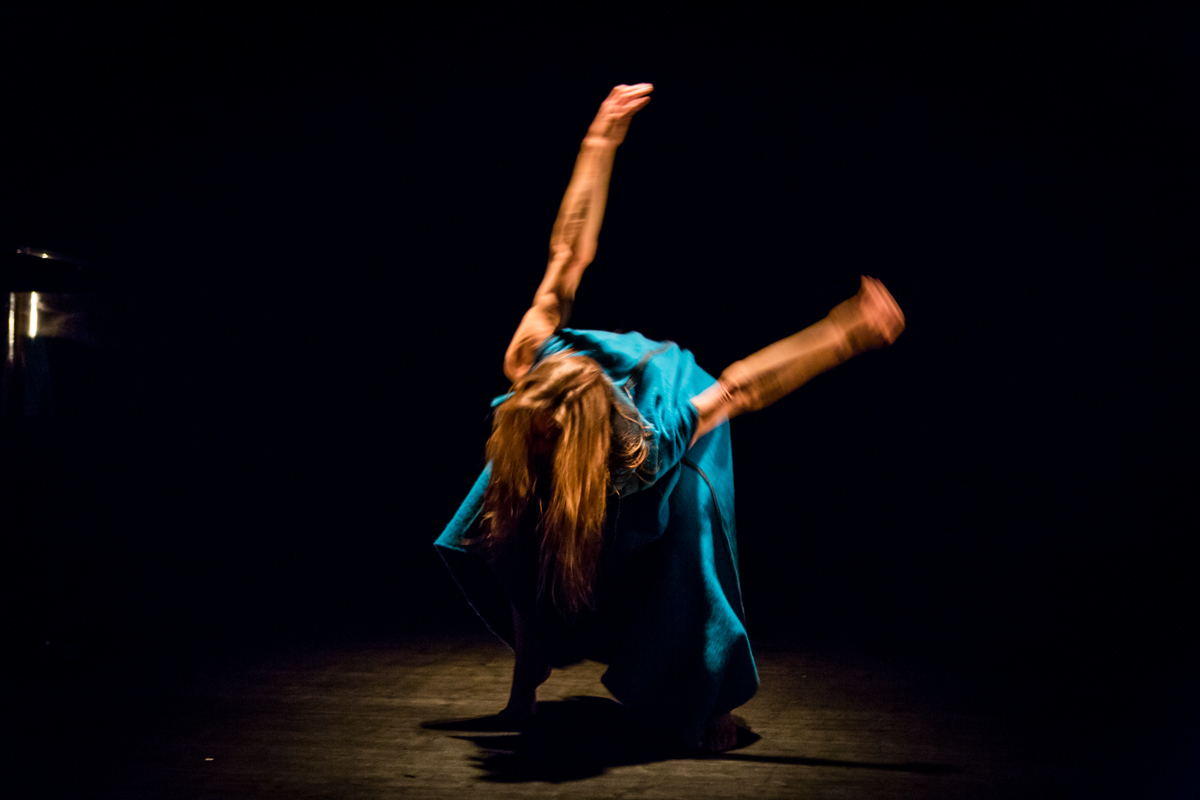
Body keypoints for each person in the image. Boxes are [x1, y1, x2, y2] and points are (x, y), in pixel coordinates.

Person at [436, 84, 905, 752]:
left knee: (689, 524)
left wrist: (844, 333)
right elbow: (568, 257)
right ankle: (529, 667)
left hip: (663, 400)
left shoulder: (646, 447)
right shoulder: (530, 358)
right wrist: (599, 141)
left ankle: (706, 691)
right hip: (578, 379)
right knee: (505, 508)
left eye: (547, 441)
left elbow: (742, 388)